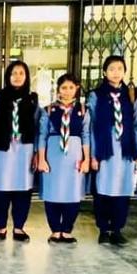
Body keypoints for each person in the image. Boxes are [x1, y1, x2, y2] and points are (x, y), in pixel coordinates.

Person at [0, 60, 46, 243]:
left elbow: (38, 126)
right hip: (3, 149)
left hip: (25, 150)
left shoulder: (33, 99)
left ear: (27, 77)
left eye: (21, 73)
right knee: (0, 189)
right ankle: (1, 227)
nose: (17, 77)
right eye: (14, 73)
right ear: (8, 76)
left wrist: (36, 152)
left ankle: (19, 227)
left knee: (23, 190)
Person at [88, 55, 137, 245]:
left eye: (120, 68)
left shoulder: (131, 94)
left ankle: (117, 229)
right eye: (111, 69)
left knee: (122, 190)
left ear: (124, 71)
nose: (116, 72)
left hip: (126, 149)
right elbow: (92, 126)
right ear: (104, 72)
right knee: (103, 190)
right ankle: (104, 229)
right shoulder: (96, 95)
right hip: (105, 149)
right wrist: (94, 155)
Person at [37, 73, 91, 244]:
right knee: (52, 192)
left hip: (74, 154)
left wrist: (87, 159)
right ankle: (55, 230)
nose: (67, 91)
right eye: (64, 88)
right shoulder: (48, 110)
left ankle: (67, 229)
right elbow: (42, 135)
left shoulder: (83, 110)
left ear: (76, 89)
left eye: (71, 87)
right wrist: (41, 158)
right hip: (53, 154)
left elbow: (86, 135)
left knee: (72, 192)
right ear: (58, 90)